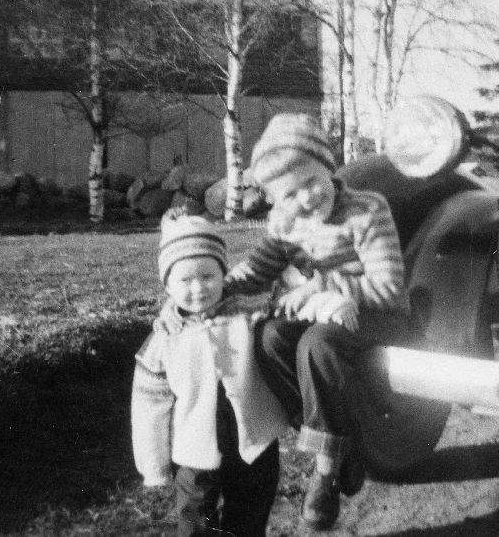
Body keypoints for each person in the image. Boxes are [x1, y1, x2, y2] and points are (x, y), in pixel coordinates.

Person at [161, 113, 447, 531]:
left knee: (316, 343)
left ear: (328, 168)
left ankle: (327, 468)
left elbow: (387, 290)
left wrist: (316, 288)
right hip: (324, 320)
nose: (307, 199)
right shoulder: (286, 224)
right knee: (270, 335)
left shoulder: (367, 210)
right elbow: (253, 273)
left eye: (311, 182)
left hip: (380, 318)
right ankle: (340, 442)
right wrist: (193, 298)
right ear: (276, 201)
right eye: (290, 194)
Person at [132, 211, 288, 537]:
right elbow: (148, 408)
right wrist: (154, 466)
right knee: (195, 522)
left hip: (254, 443)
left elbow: (283, 302)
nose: (198, 288)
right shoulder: (163, 339)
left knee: (249, 514)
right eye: (185, 280)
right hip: (193, 452)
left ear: (224, 274)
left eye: (208, 276)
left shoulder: (248, 312)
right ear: (167, 285)